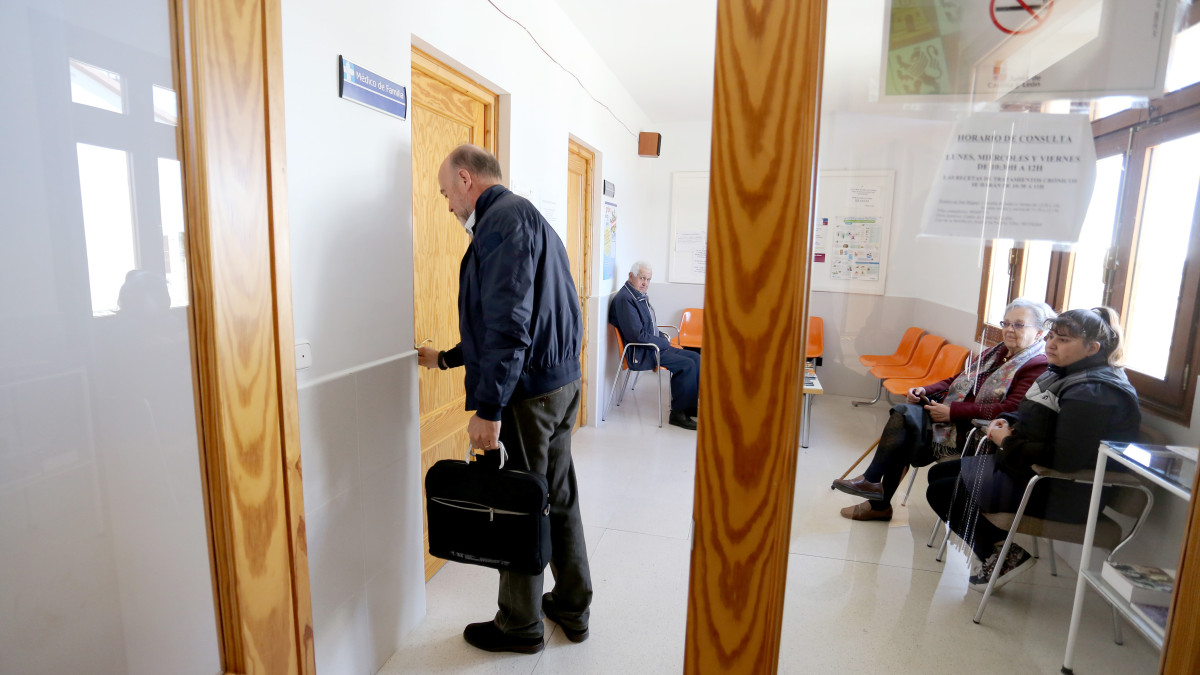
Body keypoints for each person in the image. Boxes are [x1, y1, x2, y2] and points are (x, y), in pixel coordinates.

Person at [416, 144, 592, 654]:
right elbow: (509, 319)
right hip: (559, 383)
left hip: (527, 397)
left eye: (448, 192)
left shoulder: (500, 224)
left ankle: (519, 624)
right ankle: (573, 606)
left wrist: (489, 408)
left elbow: (509, 327)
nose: (448, 205)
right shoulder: (527, 217)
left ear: (467, 180)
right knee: (557, 498)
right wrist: (444, 359)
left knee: (518, 507)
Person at [925, 307, 1141, 591]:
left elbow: (1064, 459)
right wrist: (1009, 420)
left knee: (941, 490)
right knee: (939, 475)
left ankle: (1001, 555)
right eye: (1051, 336)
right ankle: (999, 551)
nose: (1051, 344)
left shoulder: (1093, 394)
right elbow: (1036, 413)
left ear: (1092, 348)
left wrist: (1006, 441)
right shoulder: (1064, 373)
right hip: (1032, 472)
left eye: (1063, 340)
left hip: (1066, 492)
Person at [832, 299, 1054, 521]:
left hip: (974, 433)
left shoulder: (1037, 364)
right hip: (950, 420)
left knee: (903, 428)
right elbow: (955, 380)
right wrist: (923, 389)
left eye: (1018, 325)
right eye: (1005, 323)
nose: (1008, 330)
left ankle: (876, 498)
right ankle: (873, 492)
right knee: (903, 417)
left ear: (1039, 332)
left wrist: (952, 412)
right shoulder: (995, 352)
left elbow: (1008, 409)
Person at [608, 261, 702, 430]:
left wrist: (661, 339)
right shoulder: (625, 299)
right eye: (642, 278)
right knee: (687, 365)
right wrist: (663, 341)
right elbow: (636, 335)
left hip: (653, 346)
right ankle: (678, 414)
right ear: (631, 276)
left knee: (696, 357)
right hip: (643, 352)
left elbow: (648, 328)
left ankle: (688, 406)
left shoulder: (637, 295)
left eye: (649, 279)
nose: (645, 283)